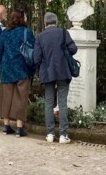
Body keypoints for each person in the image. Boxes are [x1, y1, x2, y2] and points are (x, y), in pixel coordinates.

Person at [34, 11, 78, 144]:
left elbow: (36, 58)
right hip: (63, 72)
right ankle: (64, 135)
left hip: (47, 73)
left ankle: (50, 134)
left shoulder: (40, 37)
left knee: (48, 103)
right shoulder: (63, 33)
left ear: (45, 23)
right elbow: (74, 49)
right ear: (56, 22)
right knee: (62, 103)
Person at [0, 9, 35, 138]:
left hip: (7, 68)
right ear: (22, 18)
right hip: (22, 68)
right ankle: (19, 128)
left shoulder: (5, 32)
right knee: (20, 98)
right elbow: (33, 49)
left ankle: (6, 126)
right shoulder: (27, 32)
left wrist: (3, 63)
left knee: (6, 97)